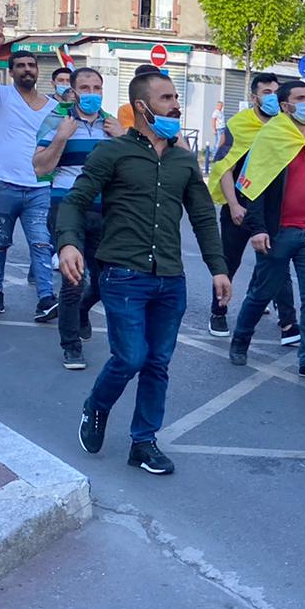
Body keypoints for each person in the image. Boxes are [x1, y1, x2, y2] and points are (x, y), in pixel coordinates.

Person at [60, 68, 231, 475]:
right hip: (124, 275)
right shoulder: (113, 153)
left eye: (176, 97)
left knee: (157, 363)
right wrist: (68, 242)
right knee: (131, 357)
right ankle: (96, 406)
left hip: (170, 278)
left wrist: (218, 269)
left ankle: (143, 442)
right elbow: (75, 201)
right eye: (167, 98)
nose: (175, 105)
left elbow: (203, 217)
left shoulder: (183, 160)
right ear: (142, 106)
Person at [228, 79, 305, 381]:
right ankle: (240, 340)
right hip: (279, 232)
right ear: (285, 105)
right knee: (262, 292)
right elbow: (252, 187)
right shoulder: (270, 136)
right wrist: (257, 229)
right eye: (300, 98)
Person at [0, 21, 57, 321]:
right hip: (3, 186)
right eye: (20, 66)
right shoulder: (1, 96)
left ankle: (46, 298)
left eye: (31, 65)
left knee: (41, 243)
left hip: (39, 188)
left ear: (37, 70)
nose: (27, 70)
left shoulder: (53, 107)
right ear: (12, 71)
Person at [35, 67, 122, 370]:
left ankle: (83, 310)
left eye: (97, 88)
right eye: (85, 88)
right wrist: (61, 138)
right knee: (73, 279)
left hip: (105, 211)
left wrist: (124, 138)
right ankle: (71, 346)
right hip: (67, 209)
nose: (92, 94)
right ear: (72, 92)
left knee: (104, 281)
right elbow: (40, 168)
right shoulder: (56, 121)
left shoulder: (112, 124)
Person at [205, 72, 298, 342]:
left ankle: (288, 323)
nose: (272, 97)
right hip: (240, 207)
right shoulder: (239, 125)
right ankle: (218, 311)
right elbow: (225, 166)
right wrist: (234, 204)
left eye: (276, 92)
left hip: (271, 210)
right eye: (266, 92)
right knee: (229, 263)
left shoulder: (286, 126)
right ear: (254, 97)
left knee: (277, 263)